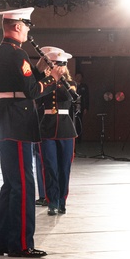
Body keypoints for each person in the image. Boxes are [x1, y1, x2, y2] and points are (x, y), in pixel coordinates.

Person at [0, 7, 61, 258]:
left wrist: (39, 70)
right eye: (27, 25)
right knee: (22, 185)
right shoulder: (16, 53)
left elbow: (24, 84)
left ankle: (1, 243)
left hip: (7, 118)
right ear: (18, 26)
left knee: (10, 185)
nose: (29, 29)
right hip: (16, 121)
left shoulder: (2, 52)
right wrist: (51, 78)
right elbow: (31, 91)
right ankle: (20, 244)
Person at [37, 49, 78, 216]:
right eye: (55, 64)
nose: (58, 67)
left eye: (60, 65)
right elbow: (38, 98)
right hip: (47, 128)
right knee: (50, 167)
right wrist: (48, 79)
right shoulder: (44, 82)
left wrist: (57, 79)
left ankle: (62, 201)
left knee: (64, 168)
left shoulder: (70, 83)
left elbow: (68, 96)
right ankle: (52, 201)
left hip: (66, 129)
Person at [73, 71, 89, 143]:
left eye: (80, 76)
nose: (78, 78)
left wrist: (86, 107)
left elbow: (87, 97)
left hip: (81, 106)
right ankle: (73, 137)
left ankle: (79, 138)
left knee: (79, 122)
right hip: (73, 106)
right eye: (77, 76)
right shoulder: (72, 84)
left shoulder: (84, 86)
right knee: (72, 121)